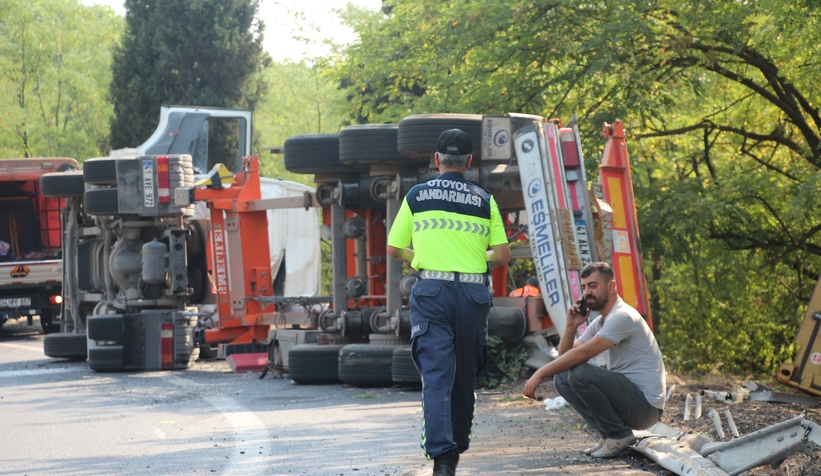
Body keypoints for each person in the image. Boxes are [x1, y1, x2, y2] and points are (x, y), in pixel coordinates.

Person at [387, 129, 511, 476]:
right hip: (472, 296)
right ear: (469, 162)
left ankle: (443, 458)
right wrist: (475, 255)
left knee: (437, 375)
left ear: (437, 160)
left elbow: (394, 248)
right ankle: (456, 446)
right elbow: (502, 255)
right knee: (464, 376)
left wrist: (418, 258)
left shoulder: (416, 196)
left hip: (432, 293)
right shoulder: (484, 199)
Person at [522, 262, 665, 458]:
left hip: (645, 408)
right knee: (563, 377)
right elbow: (565, 358)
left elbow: (582, 355)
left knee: (580, 374)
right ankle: (609, 434)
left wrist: (540, 372)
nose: (587, 292)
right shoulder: (601, 322)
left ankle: (619, 435)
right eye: (584, 287)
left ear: (611, 286)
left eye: (593, 286)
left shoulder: (623, 316)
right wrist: (571, 327)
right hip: (629, 401)